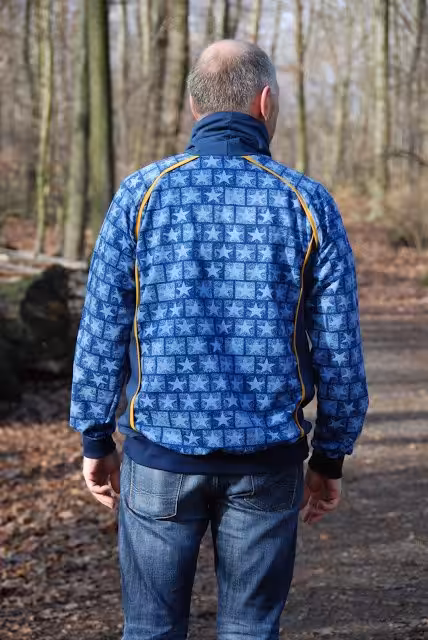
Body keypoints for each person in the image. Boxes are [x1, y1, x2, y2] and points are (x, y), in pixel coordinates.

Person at [70, 40, 369, 640]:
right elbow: (339, 344)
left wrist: (95, 435)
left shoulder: (141, 195)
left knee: (150, 630)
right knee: (250, 631)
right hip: (267, 462)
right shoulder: (306, 202)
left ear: (193, 106)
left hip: (159, 455)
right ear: (265, 101)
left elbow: (102, 325)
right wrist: (330, 455)